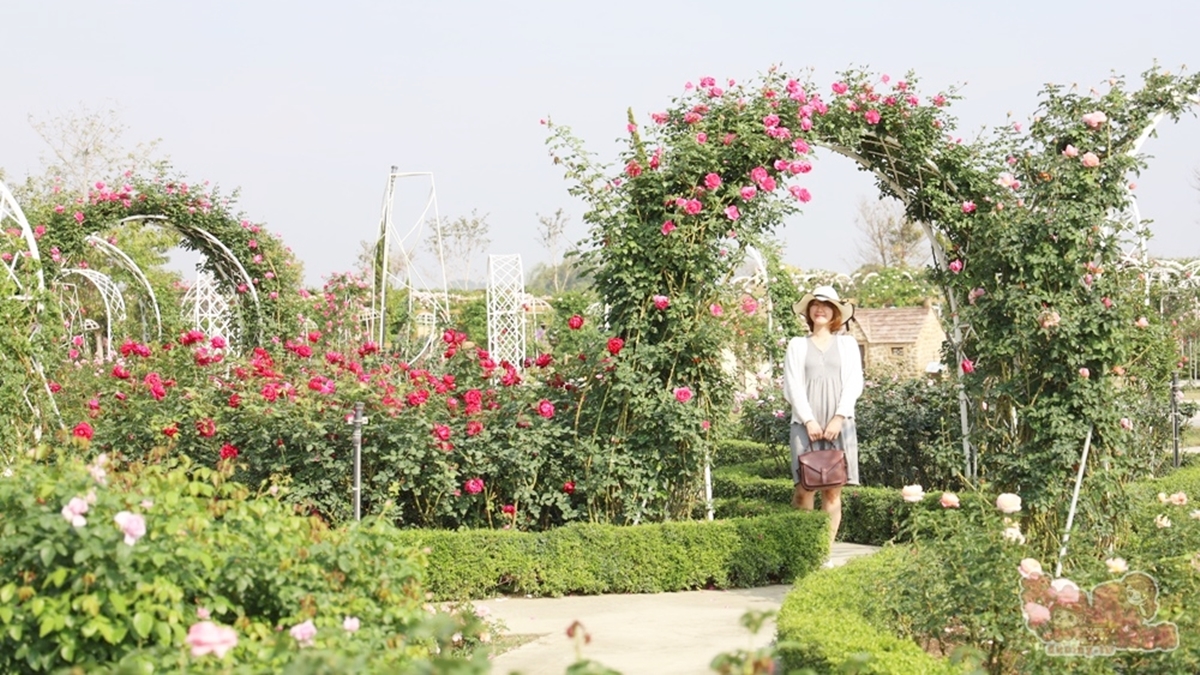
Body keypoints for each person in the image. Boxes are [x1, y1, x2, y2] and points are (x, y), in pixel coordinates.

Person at [783, 285, 863, 557]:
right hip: (806, 426)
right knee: (804, 491)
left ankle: (823, 553)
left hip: (839, 425)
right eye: (815, 304)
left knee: (832, 492)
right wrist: (809, 421)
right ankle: (806, 550)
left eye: (826, 305)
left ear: (835, 313)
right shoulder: (796, 345)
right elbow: (792, 386)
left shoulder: (847, 344)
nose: (820, 309)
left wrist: (838, 418)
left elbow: (854, 383)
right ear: (808, 310)